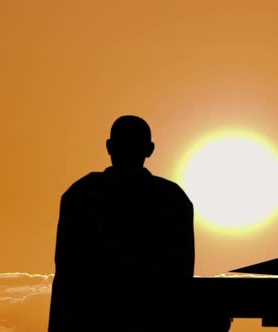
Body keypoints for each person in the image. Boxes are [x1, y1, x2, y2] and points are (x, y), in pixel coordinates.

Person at [49, 115, 195, 332]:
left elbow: (66, 272)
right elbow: (182, 273)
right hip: (154, 319)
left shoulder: (81, 194)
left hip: (90, 319)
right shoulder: (172, 198)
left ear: (109, 146)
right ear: (150, 149)